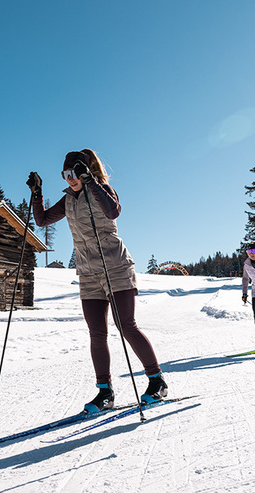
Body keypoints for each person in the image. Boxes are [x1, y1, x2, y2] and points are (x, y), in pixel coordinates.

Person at [27, 149, 167, 413]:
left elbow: (113, 212)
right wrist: (37, 193)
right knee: (97, 333)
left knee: (126, 325)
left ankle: (157, 381)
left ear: (85, 170)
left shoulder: (102, 189)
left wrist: (91, 182)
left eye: (74, 173)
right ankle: (105, 392)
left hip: (115, 265)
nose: (69, 179)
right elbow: (42, 219)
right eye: (65, 174)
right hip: (88, 272)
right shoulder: (68, 199)